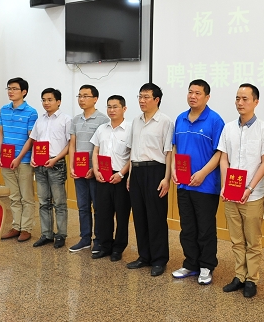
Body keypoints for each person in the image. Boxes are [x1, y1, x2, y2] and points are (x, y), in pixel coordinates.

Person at [218, 83, 264, 298]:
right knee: (236, 239)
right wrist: (224, 185)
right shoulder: (228, 128)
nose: (240, 103)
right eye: (237, 98)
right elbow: (224, 158)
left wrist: (249, 188)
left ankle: (252, 279)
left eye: (245, 99)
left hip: (253, 195)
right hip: (231, 193)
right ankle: (239, 275)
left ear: (255, 102)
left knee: (253, 240)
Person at [170, 79, 225, 285]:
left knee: (205, 228)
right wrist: (174, 169)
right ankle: (190, 263)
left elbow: (220, 153)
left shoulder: (215, 120)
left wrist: (202, 173)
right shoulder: (180, 118)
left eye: (198, 93)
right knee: (187, 227)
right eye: (190, 92)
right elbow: (175, 147)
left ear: (207, 97)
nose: (193, 96)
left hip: (206, 185)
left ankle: (206, 266)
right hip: (184, 183)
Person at [126, 83, 173, 277]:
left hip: (156, 171)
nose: (142, 100)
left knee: (156, 217)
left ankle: (159, 259)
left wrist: (167, 178)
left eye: (146, 97)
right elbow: (132, 151)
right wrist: (130, 175)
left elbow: (169, 153)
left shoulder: (165, 121)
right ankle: (144, 256)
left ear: (156, 99)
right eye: (140, 96)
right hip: (137, 171)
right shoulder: (136, 121)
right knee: (139, 216)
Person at [25, 88, 72, 249]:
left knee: (59, 203)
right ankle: (46, 234)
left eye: (50, 99)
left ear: (58, 102)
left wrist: (55, 159)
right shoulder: (40, 120)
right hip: (39, 165)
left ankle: (61, 235)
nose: (46, 103)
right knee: (43, 202)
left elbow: (69, 145)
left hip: (56, 164)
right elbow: (34, 141)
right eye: (44, 100)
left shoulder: (66, 120)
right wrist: (33, 157)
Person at [68, 85, 110, 253]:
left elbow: (103, 147)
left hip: (95, 172)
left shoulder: (103, 120)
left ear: (95, 99)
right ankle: (85, 238)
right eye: (79, 96)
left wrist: (95, 169)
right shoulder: (76, 120)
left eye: (85, 96)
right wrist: (71, 165)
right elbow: (72, 144)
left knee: (98, 208)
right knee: (83, 206)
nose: (81, 99)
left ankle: (98, 240)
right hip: (79, 171)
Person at [90, 95, 131, 262]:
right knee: (103, 213)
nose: (111, 110)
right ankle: (105, 246)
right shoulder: (102, 129)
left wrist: (121, 174)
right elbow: (95, 151)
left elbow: (133, 155)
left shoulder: (130, 129)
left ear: (124, 109)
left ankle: (118, 248)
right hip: (103, 176)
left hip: (121, 176)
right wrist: (96, 170)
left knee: (122, 215)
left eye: (115, 107)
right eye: (109, 107)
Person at [0, 77, 38, 243]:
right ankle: (16, 226)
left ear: (24, 92)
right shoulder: (4, 110)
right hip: (6, 160)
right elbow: (1, 133)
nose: (10, 91)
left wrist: (19, 158)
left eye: (14, 88)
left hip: (24, 160)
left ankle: (26, 228)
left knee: (26, 196)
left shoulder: (31, 112)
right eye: (9, 88)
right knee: (13, 196)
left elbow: (31, 139)